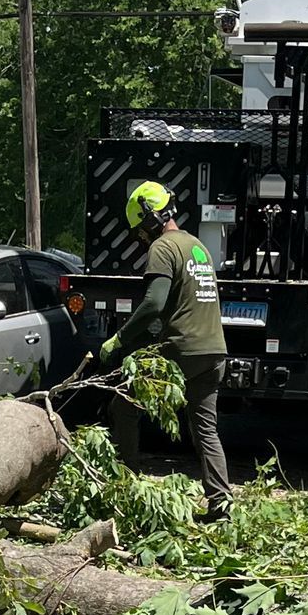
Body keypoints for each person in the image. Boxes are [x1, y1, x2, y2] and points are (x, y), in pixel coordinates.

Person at [91, 180, 231, 517]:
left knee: (123, 405)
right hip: (214, 350)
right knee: (205, 429)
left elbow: (154, 304)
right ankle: (221, 502)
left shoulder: (163, 248)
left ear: (151, 217)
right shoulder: (197, 246)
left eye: (140, 228)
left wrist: (120, 339)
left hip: (181, 350)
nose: (140, 237)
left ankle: (128, 488)